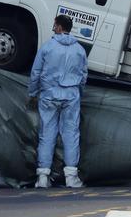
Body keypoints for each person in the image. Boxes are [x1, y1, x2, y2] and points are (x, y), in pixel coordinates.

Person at [28, 15, 88, 188]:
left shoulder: (48, 47)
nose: (53, 28)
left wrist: (33, 93)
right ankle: (71, 177)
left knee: (47, 133)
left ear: (60, 27)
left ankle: (43, 178)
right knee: (71, 134)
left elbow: (36, 72)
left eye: (55, 25)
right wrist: (79, 93)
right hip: (71, 95)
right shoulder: (79, 50)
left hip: (49, 95)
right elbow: (84, 76)